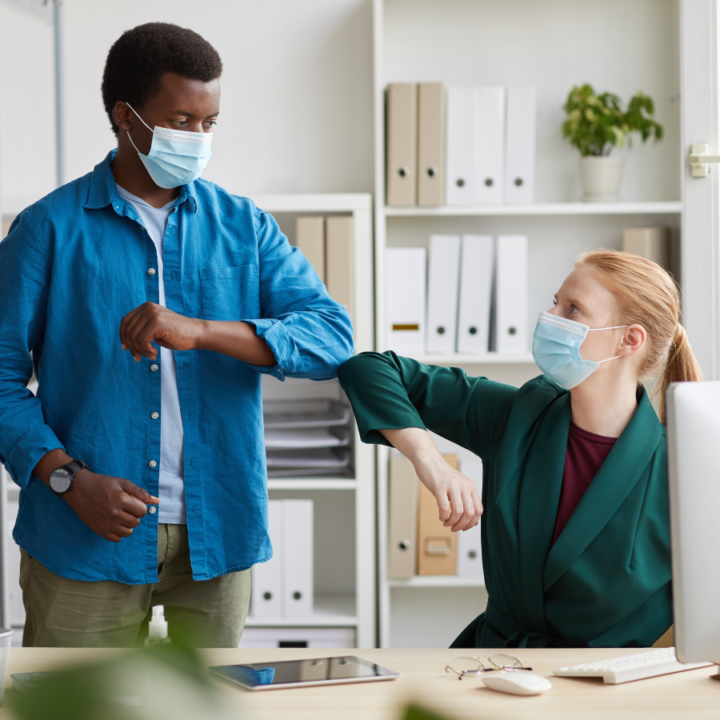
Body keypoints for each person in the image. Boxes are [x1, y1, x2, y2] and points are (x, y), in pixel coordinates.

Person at [0, 23, 353, 648]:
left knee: (209, 709)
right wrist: (68, 481)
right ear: (126, 118)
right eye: (182, 120)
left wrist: (203, 331)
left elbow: (331, 338)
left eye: (209, 123)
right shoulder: (45, 230)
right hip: (84, 535)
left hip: (218, 527)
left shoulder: (244, 225)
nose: (197, 139)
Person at [338, 250, 702, 648]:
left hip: (605, 692)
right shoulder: (517, 415)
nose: (549, 317)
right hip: (491, 669)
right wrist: (431, 462)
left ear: (629, 339)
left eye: (573, 309)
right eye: (555, 301)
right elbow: (369, 368)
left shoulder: (685, 468)